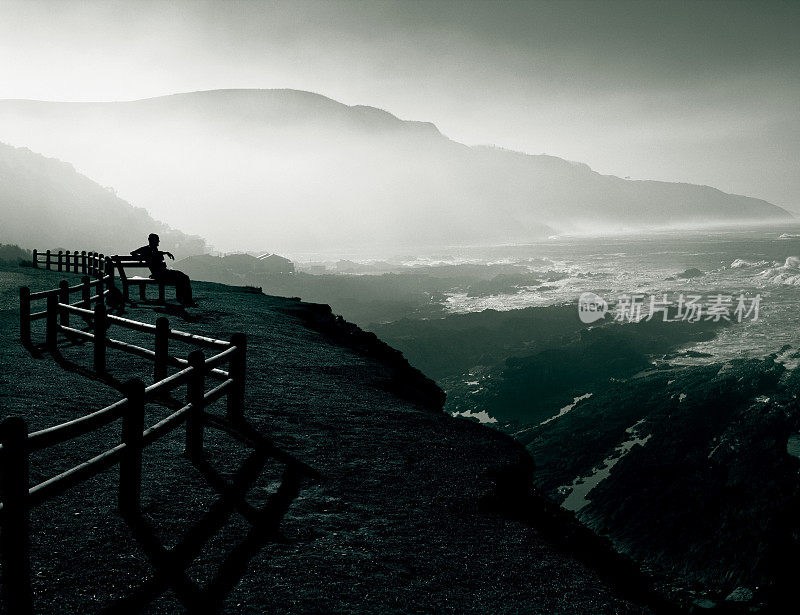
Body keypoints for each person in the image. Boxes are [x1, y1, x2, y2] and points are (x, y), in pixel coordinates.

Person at [131, 234, 196, 307]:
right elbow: (133, 253)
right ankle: (185, 300)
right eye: (157, 239)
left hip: (160, 273)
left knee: (182, 277)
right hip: (161, 274)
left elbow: (134, 253)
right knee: (183, 277)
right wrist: (164, 253)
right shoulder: (147, 249)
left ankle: (183, 299)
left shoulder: (150, 249)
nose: (159, 241)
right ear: (152, 240)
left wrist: (143, 257)